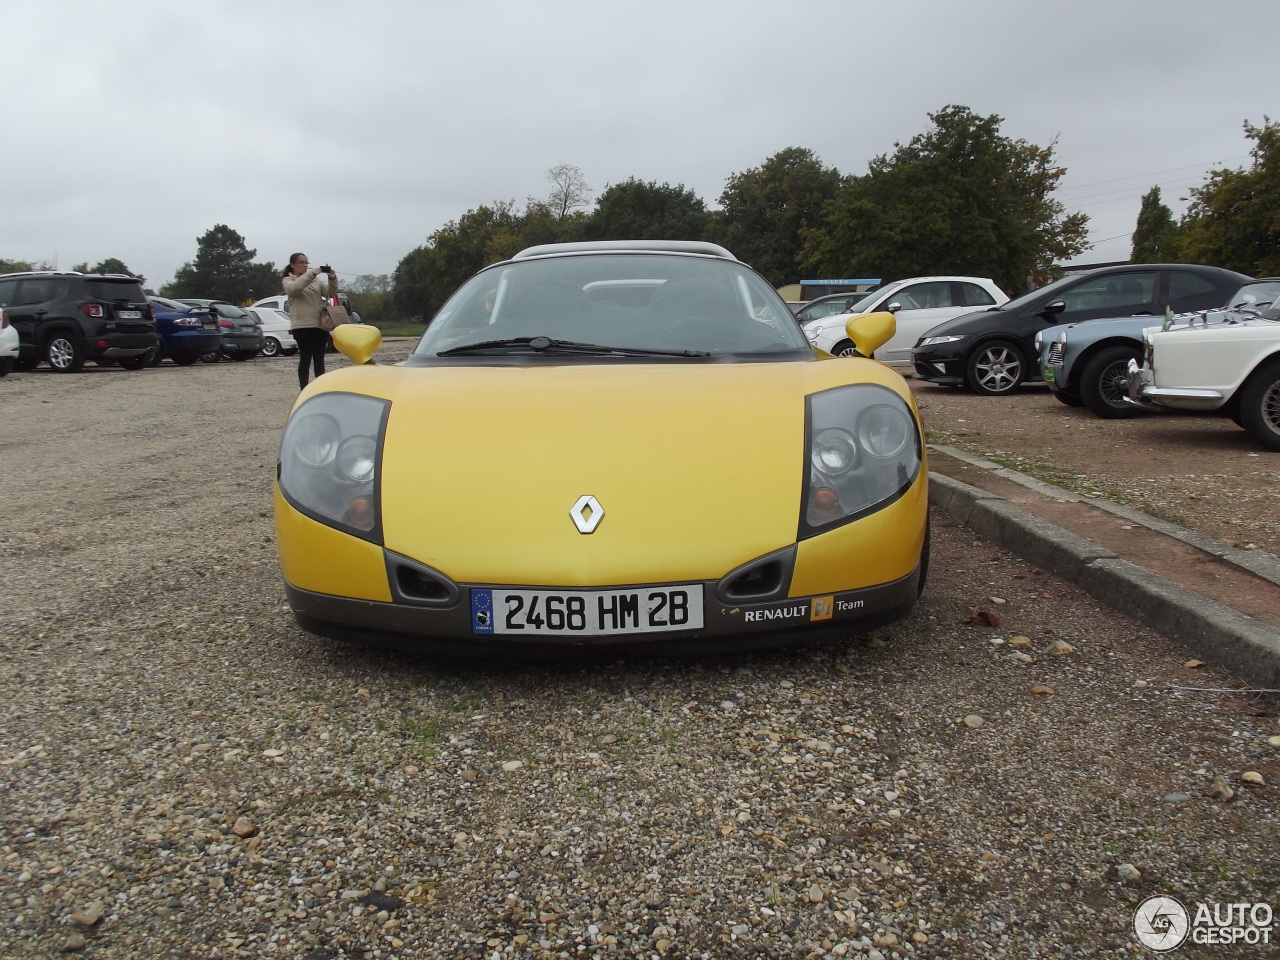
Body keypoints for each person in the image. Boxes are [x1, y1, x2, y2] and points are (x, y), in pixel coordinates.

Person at [282, 253, 337, 389]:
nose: (305, 265)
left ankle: (320, 389)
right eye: (301, 262)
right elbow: (294, 289)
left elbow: (330, 293)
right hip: (302, 326)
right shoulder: (288, 280)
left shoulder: (316, 281)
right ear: (292, 265)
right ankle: (304, 389)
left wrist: (332, 278)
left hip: (319, 325)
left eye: (306, 262)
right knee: (305, 359)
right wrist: (311, 274)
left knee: (319, 359)